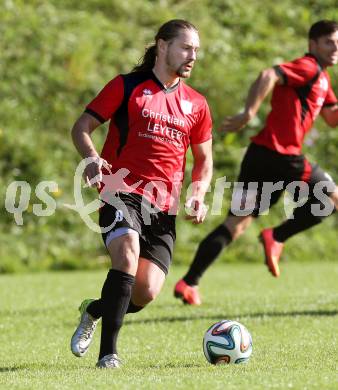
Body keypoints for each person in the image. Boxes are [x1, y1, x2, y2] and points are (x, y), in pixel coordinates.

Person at [70, 19, 213, 368]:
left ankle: (95, 309)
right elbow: (82, 126)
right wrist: (92, 158)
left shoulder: (196, 103)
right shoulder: (126, 86)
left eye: (196, 49)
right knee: (127, 256)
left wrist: (199, 192)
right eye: (185, 47)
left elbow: (205, 159)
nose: (192, 55)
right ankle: (109, 355)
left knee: (145, 290)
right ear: (162, 46)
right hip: (121, 190)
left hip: (164, 206)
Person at [174, 19, 338, 305]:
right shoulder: (309, 66)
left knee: (235, 224)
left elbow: (332, 117)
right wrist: (248, 113)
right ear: (313, 45)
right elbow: (269, 74)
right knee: (333, 200)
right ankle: (277, 235)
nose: (335, 48)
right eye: (329, 42)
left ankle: (189, 282)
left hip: (260, 156)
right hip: (283, 156)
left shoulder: (322, 78)